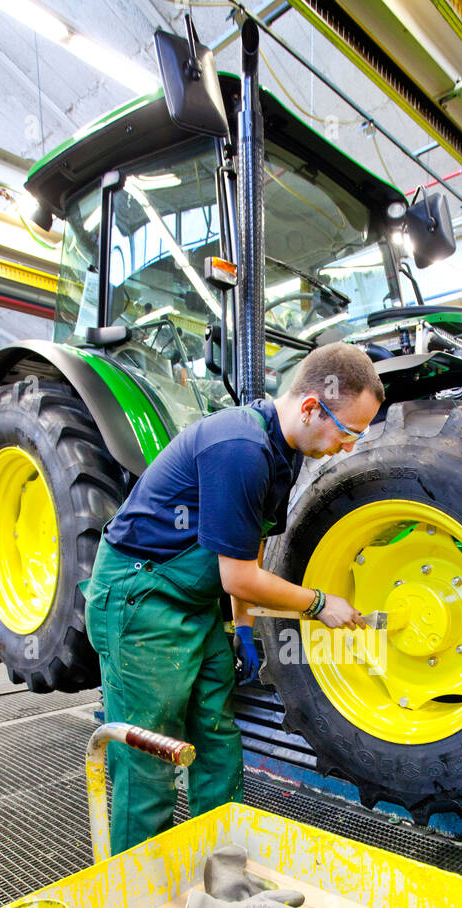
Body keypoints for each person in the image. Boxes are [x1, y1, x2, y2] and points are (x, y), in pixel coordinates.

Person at [84, 341, 385, 854]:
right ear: (313, 408)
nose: (349, 447)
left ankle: (219, 869)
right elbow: (239, 577)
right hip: (142, 598)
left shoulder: (284, 453)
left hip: (194, 602)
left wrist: (242, 628)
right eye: (349, 432)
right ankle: (134, 899)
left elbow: (250, 543)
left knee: (218, 742)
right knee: (151, 755)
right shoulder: (240, 448)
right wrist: (318, 603)